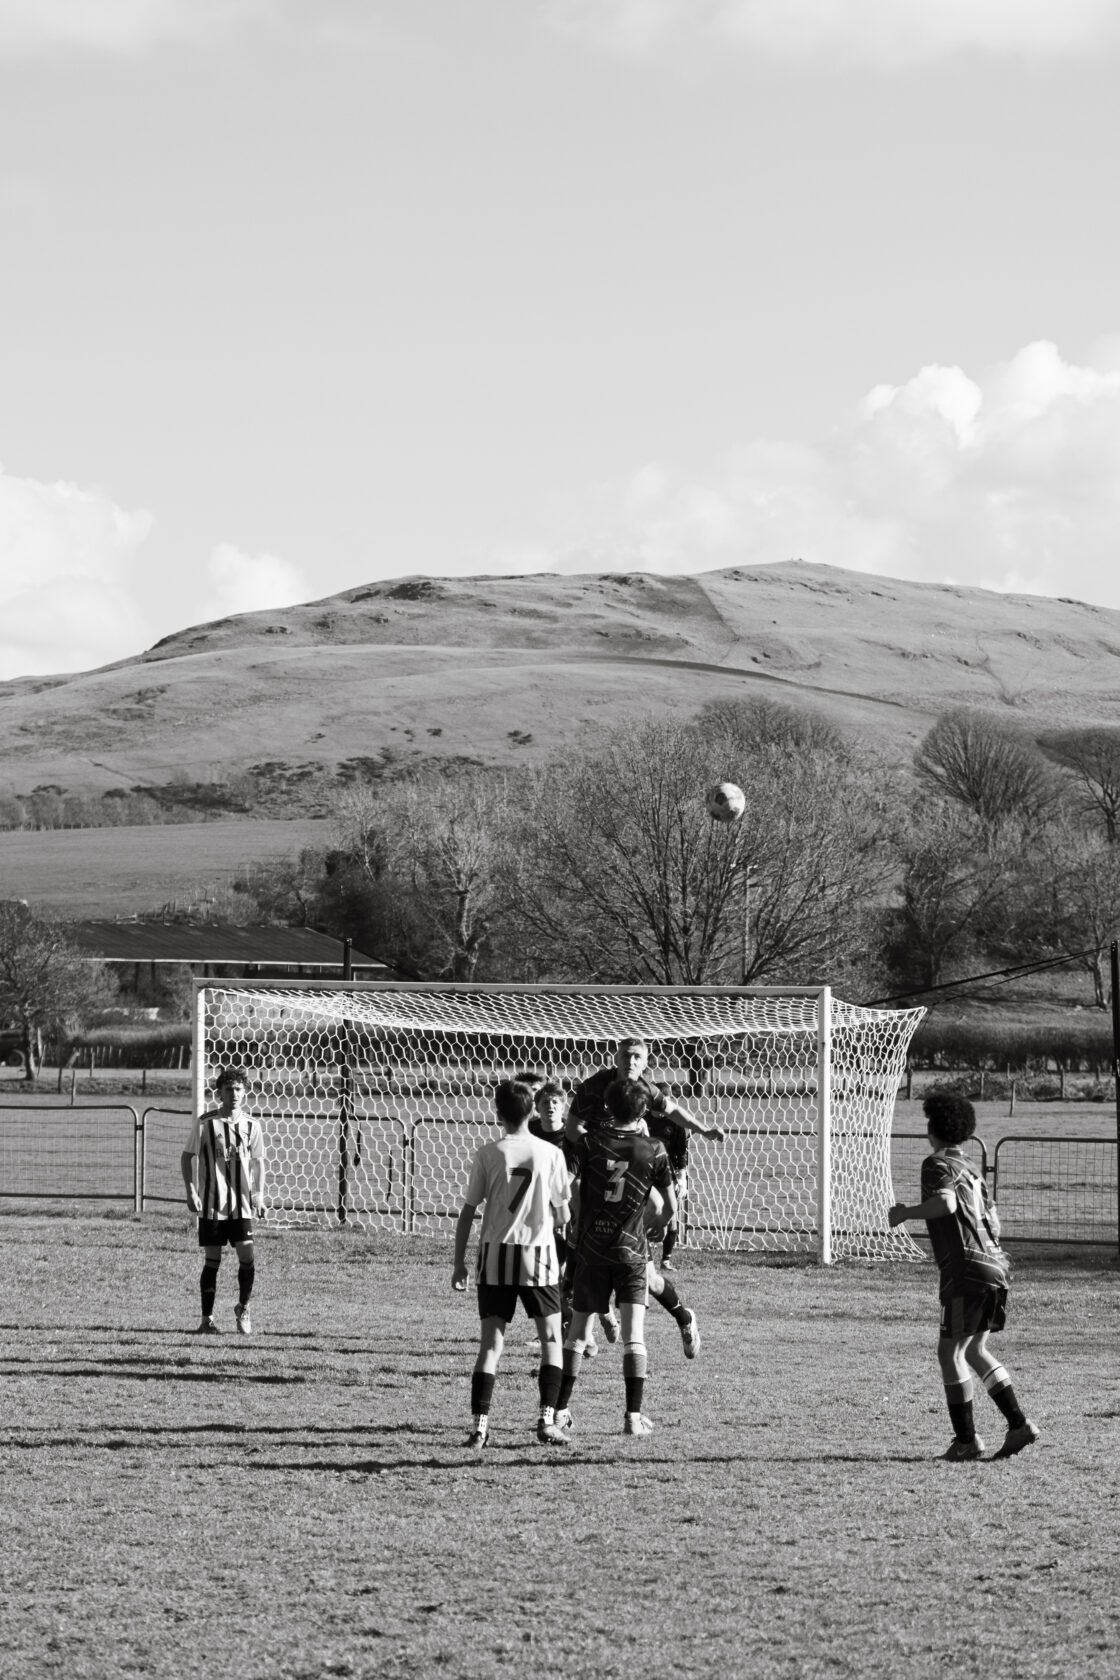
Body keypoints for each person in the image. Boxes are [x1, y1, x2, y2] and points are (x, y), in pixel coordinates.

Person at [888, 1089, 1039, 1462]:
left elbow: (947, 1203)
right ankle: (1018, 1425)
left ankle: (967, 1440)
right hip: (995, 1266)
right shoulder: (972, 1167)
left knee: (950, 1352)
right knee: (975, 1349)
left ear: (933, 1129)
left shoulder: (936, 1164)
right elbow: (995, 1220)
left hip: (966, 1270)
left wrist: (906, 1213)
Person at [558, 1077, 699, 1437]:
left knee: (576, 1333)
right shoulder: (653, 1149)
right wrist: (658, 1224)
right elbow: (669, 1204)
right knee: (634, 1336)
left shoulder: (588, 1142)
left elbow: (571, 1187)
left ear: (608, 1107)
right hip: (631, 1251)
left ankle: (559, 1411)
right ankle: (632, 1419)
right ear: (643, 1112)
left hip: (591, 1248)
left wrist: (577, 1220)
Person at [452, 1078, 572, 1450]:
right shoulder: (550, 1154)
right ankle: (547, 1420)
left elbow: (469, 1212)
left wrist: (459, 1263)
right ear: (534, 1110)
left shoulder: (488, 1154)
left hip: (495, 1256)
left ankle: (479, 1427)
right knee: (552, 1339)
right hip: (537, 1257)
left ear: (498, 1113)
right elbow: (564, 1216)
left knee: (491, 1345)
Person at [569, 1036, 723, 1270]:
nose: (630, 1061)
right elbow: (572, 1129)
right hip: (586, 1159)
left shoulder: (645, 1089)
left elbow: (673, 1110)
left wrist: (704, 1130)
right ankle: (575, 1265)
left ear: (645, 1063)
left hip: (620, 1159)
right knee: (584, 1218)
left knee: (658, 1206)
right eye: (625, 1056)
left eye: (636, 1057)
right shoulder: (594, 1087)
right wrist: (602, 1150)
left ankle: (632, 1248)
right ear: (616, 1059)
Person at [180, 1064, 266, 1335]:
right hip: (212, 1204)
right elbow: (187, 1157)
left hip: (241, 1205)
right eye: (229, 1089)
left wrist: (259, 1195)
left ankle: (243, 1307)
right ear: (219, 1093)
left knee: (247, 1255)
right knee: (212, 1261)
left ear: (245, 1092)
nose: (235, 1094)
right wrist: (190, 1191)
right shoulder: (206, 1123)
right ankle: (206, 1320)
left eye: (239, 1089)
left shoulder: (252, 1125)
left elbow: (259, 1163)